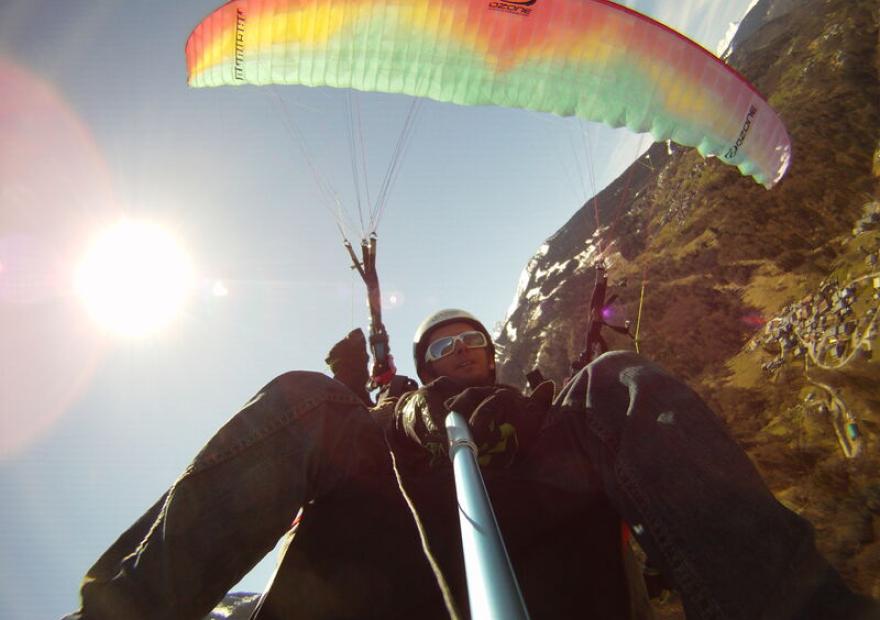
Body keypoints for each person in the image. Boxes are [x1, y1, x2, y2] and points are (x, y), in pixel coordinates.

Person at [66, 309, 878, 620]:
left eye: (473, 343)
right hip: (390, 549)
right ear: (423, 364)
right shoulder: (381, 421)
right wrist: (362, 397)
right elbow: (342, 418)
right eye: (443, 349)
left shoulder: (557, 412)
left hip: (550, 546)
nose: (461, 353)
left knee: (619, 377)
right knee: (307, 397)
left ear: (494, 357)